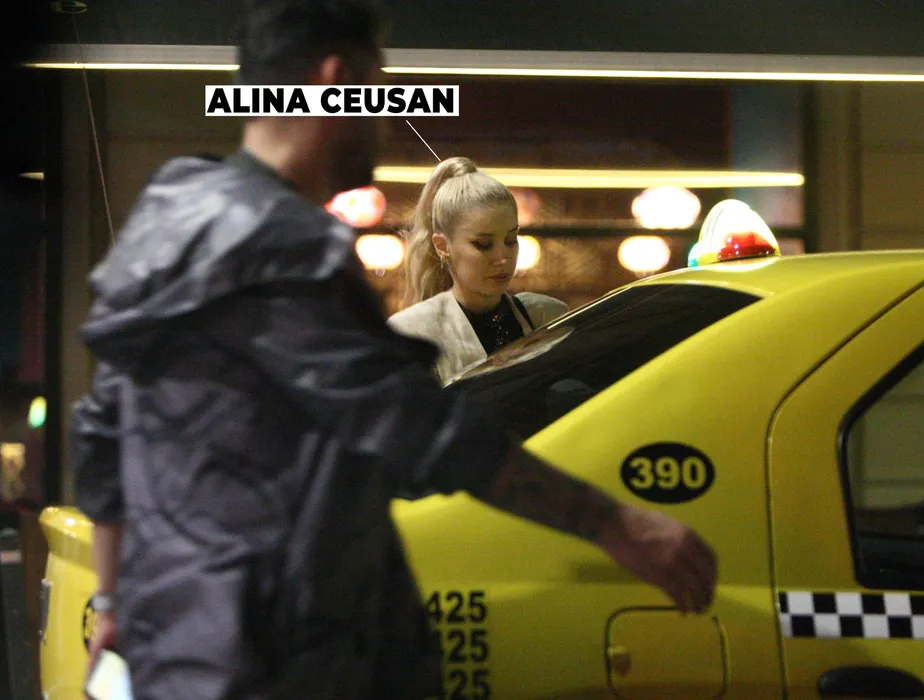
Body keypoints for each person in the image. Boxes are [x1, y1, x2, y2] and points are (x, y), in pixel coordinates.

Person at [71, 1, 717, 699]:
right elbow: (417, 424)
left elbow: (102, 426)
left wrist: (112, 603)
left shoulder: (172, 211)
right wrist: (615, 524)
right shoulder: (288, 244)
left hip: (175, 641)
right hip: (285, 653)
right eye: (375, 89)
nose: (379, 118)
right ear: (334, 80)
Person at [388, 157, 568, 383]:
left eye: (511, 240)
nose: (502, 257)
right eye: (483, 244)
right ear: (442, 246)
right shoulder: (411, 332)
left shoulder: (547, 316)